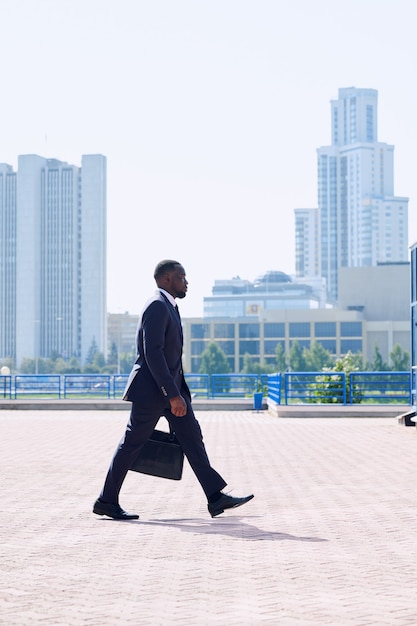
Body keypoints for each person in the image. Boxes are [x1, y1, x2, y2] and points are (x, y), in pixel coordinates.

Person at [93, 259, 254, 520]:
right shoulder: (157, 306)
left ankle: (215, 496)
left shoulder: (170, 306)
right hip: (153, 392)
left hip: (171, 391)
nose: (186, 282)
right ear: (166, 279)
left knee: (192, 437)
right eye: (182, 277)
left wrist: (177, 393)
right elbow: (152, 354)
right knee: (132, 443)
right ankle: (106, 500)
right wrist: (172, 394)